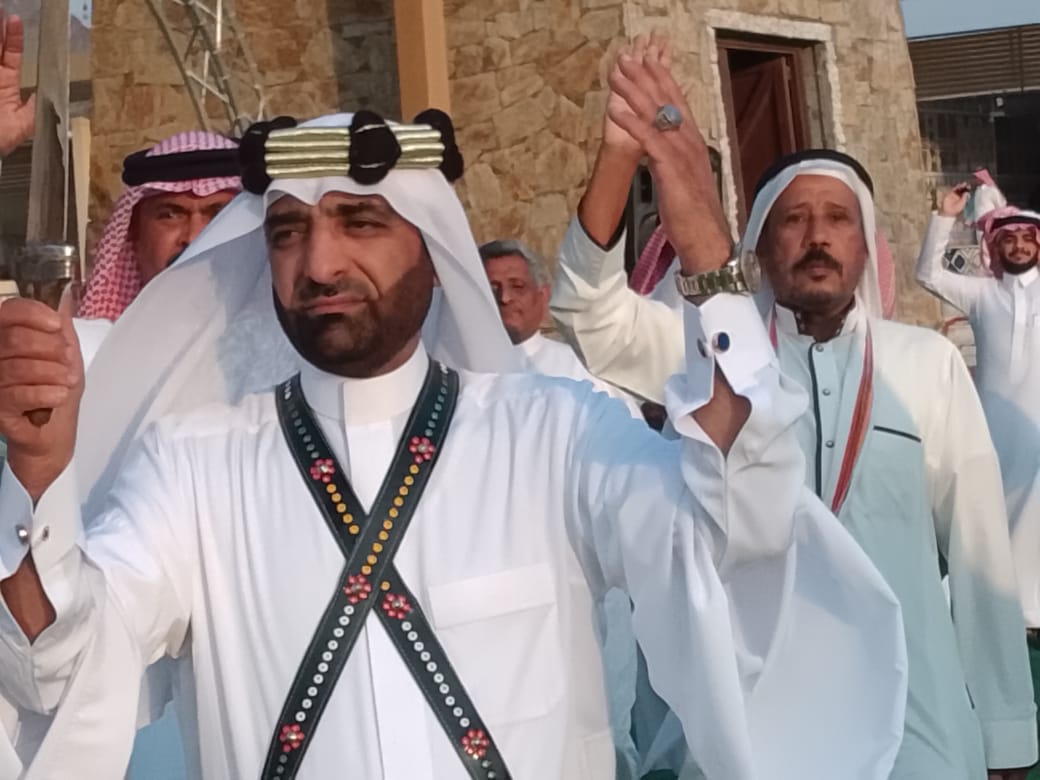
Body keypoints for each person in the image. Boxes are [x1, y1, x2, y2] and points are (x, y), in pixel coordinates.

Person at [0, 49, 906, 780]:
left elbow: (737, 523)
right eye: (288, 233)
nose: (319, 264)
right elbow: (58, 664)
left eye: (360, 222)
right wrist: (36, 479)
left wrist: (707, 247)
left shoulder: (552, 432)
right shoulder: (192, 467)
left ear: (432, 251)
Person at [551, 58, 1036, 776]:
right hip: (757, 723)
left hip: (915, 720)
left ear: (864, 245)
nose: (817, 236)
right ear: (760, 245)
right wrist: (622, 157)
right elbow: (585, 312)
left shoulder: (924, 363)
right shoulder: (713, 353)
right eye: (794, 219)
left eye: (838, 218)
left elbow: (977, 551)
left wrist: (1005, 728)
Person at [917, 186, 1040, 777]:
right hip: (994, 436)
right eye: (1008, 238)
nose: (1018, 245)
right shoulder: (984, 295)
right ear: (996, 247)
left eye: (1027, 237)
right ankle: (1009, 616)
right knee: (993, 528)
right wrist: (943, 218)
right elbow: (927, 273)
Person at [71, 131, 241, 367]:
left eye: (218, 215)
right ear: (135, 235)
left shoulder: (284, 348)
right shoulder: (88, 354)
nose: (194, 238)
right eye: (171, 215)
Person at [479, 238, 640, 415]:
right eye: (492, 289)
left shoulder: (583, 369)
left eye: (517, 286)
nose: (505, 298)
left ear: (543, 296)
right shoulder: (460, 369)